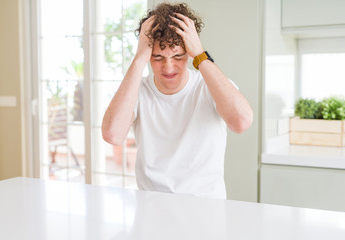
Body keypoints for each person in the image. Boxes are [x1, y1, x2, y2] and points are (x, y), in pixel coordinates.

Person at [102, 3, 253, 199]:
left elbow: (242, 122)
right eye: (157, 57)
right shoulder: (138, 91)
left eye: (178, 56)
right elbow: (112, 135)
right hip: (152, 206)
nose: (168, 67)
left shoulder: (210, 86)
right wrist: (139, 59)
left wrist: (201, 54)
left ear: (189, 53)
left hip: (205, 208)